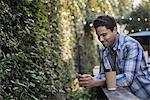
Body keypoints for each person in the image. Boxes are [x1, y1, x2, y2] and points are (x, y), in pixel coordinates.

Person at [79, 15, 150, 100]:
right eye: (98, 36)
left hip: (144, 95)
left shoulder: (131, 45)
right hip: (123, 96)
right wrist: (91, 79)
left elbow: (127, 79)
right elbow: (103, 74)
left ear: (115, 30)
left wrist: (97, 82)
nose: (101, 39)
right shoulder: (104, 50)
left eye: (104, 35)